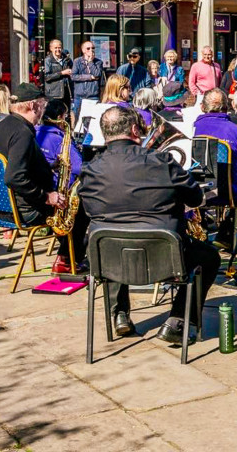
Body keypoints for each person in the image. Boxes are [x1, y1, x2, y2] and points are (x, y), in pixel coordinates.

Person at [78, 105, 220, 341]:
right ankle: (178, 321)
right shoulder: (162, 161)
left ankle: (119, 315)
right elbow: (196, 198)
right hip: (164, 258)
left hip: (108, 260)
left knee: (112, 236)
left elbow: (89, 211)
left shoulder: (89, 170)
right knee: (210, 257)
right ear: (135, 129)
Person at [0, 83, 87, 274]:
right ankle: (67, 259)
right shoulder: (22, 133)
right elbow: (14, 177)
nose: (44, 109)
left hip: (1, 206)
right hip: (24, 208)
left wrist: (49, 167)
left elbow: (15, 165)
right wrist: (48, 197)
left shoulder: (2, 126)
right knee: (80, 205)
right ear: (32, 106)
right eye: (42, 105)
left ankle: (67, 254)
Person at [192, 89, 237, 204]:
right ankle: (231, 221)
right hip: (230, 192)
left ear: (202, 107)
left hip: (197, 192)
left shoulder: (191, 130)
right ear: (226, 108)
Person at [35, 100, 83, 189]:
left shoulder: (33, 132)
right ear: (59, 118)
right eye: (66, 115)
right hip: (57, 187)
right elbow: (78, 167)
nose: (68, 118)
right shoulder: (60, 139)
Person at [71, 40, 105, 115]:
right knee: (78, 119)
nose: (91, 50)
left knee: (92, 118)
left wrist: (90, 62)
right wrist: (89, 77)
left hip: (93, 96)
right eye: (88, 48)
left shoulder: (98, 62)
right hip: (79, 96)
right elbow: (73, 76)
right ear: (83, 50)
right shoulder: (77, 61)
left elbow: (97, 74)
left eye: (92, 48)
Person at [43, 39, 72, 105]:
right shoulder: (48, 60)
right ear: (51, 49)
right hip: (54, 94)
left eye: (59, 47)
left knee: (66, 113)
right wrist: (61, 73)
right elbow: (46, 77)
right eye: (55, 48)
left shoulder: (67, 60)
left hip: (66, 93)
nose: (58, 50)